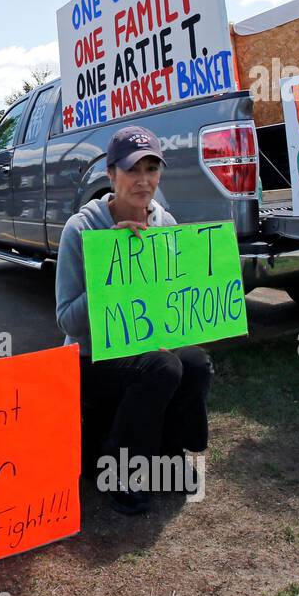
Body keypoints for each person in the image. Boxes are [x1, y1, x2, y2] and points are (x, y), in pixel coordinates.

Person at [55, 126, 212, 516]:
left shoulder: (165, 222)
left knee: (194, 362)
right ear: (110, 175)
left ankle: (168, 456)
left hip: (146, 344)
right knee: (162, 366)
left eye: (151, 169)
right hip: (90, 358)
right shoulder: (81, 228)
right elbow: (67, 322)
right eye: (131, 170)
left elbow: (175, 302)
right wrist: (113, 270)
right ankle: (122, 471)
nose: (144, 180)